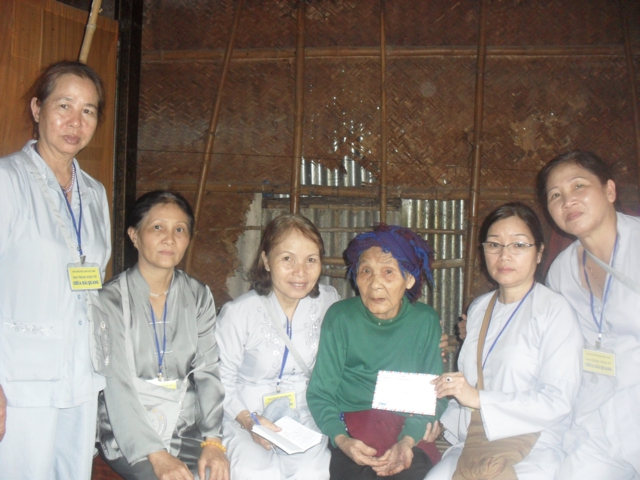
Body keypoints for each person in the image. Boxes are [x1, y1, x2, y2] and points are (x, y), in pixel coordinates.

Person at [0, 61, 111, 478]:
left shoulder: (94, 193)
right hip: (20, 380)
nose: (75, 121)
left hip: (81, 374)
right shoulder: (7, 180)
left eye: (88, 110)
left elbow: (93, 281)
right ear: (37, 108)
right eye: (64, 105)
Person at [426, 203, 583, 480]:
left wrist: (478, 399)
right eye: (494, 245)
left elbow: (557, 400)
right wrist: (439, 416)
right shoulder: (479, 308)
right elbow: (471, 385)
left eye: (519, 245)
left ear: (539, 253)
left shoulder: (554, 311)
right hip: (475, 442)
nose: (504, 255)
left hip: (531, 445)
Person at [96, 191, 229, 480]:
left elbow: (208, 372)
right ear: (134, 235)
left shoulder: (198, 295)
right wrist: (157, 455)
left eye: (179, 230)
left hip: (185, 427)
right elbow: (116, 385)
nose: (169, 239)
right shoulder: (109, 300)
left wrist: (212, 440)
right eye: (158, 227)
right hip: (128, 432)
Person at [307, 224, 447, 480]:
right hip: (352, 429)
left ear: (409, 279)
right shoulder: (341, 318)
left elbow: (434, 394)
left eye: (388, 272)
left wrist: (408, 440)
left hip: (407, 426)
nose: (375, 284)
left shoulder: (425, 321)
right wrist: (342, 440)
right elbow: (320, 393)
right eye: (366, 271)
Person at [215, 214, 341, 479]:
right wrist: (249, 421)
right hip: (245, 415)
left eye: (311, 260)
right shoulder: (239, 313)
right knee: (253, 472)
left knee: (312, 473)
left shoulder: (330, 303)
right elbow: (220, 381)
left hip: (305, 416)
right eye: (287, 259)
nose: (300, 271)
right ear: (266, 260)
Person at [539, 151, 640, 480]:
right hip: (597, 415)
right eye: (555, 195)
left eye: (578, 186)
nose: (567, 200)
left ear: (609, 190)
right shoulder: (561, 271)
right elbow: (553, 340)